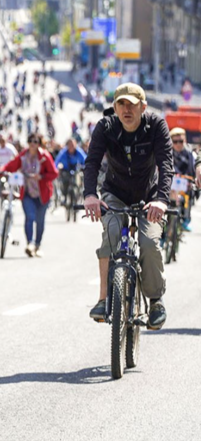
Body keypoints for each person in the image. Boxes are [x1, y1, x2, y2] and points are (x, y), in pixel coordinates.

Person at [83, 83, 173, 329]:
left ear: (143, 107)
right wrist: (90, 195)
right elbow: (91, 163)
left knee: (149, 243)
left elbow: (166, 165)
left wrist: (162, 200)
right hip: (115, 193)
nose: (126, 109)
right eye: (121, 104)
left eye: (132, 104)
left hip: (149, 197)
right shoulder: (106, 127)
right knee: (111, 234)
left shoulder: (156, 126)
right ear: (115, 107)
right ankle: (103, 299)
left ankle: (155, 301)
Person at [0, 133, 59, 257]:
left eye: (35, 141)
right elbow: (12, 165)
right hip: (27, 193)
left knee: (40, 221)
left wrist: (41, 177)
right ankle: (30, 244)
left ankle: (37, 244)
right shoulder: (23, 156)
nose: (32, 144)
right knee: (30, 217)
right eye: (30, 140)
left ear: (39, 143)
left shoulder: (44, 156)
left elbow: (54, 173)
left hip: (43, 195)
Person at [169, 128, 195, 231]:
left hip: (184, 183)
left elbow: (192, 169)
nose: (178, 144)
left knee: (189, 196)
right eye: (175, 141)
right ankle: (162, 236)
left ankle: (186, 220)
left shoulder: (189, 153)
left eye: (181, 141)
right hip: (170, 183)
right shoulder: (168, 152)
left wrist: (191, 180)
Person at [54, 138, 87, 203]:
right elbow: (56, 161)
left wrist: (85, 167)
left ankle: (78, 196)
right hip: (66, 170)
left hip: (75, 170)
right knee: (65, 182)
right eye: (70, 145)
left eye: (73, 145)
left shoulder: (78, 151)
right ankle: (65, 196)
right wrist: (55, 169)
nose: (72, 146)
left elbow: (85, 160)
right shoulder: (63, 152)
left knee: (78, 182)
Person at [0, 133, 17, 197]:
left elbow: (16, 156)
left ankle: (14, 191)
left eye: (3, 141)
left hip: (8, 167)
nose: (2, 143)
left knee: (13, 179)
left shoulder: (10, 147)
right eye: (1, 141)